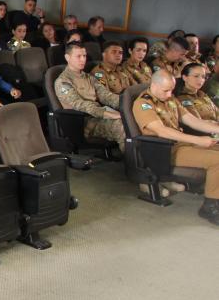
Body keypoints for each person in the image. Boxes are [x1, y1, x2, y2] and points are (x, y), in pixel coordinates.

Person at [132, 71, 219, 224]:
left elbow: (190, 119)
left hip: (182, 144)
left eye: (171, 90)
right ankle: (210, 206)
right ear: (154, 85)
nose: (169, 94)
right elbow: (161, 131)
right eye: (165, 90)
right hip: (165, 149)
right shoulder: (143, 104)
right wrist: (198, 140)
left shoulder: (170, 99)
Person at [54, 43, 124, 151]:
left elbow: (106, 95)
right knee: (122, 125)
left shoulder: (88, 77)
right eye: (78, 56)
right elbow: (80, 105)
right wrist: (107, 114)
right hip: (84, 122)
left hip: (98, 115)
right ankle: (132, 160)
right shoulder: (63, 81)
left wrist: (126, 104)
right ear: (67, 57)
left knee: (131, 120)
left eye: (84, 56)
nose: (83, 59)